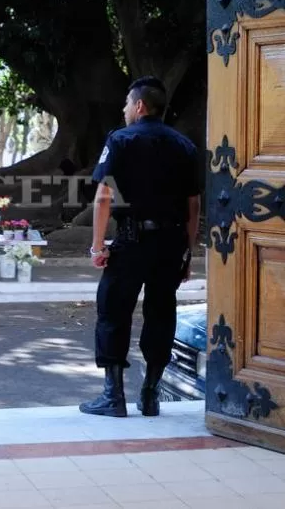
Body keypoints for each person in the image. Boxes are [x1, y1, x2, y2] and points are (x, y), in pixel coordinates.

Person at [79, 76, 201, 418]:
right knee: (162, 315)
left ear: (139, 106)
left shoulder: (120, 140)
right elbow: (194, 206)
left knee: (113, 312)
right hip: (170, 244)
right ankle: (150, 395)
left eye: (126, 104)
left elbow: (104, 196)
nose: (123, 110)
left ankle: (113, 396)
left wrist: (96, 246)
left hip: (131, 242)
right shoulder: (184, 146)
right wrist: (187, 252)